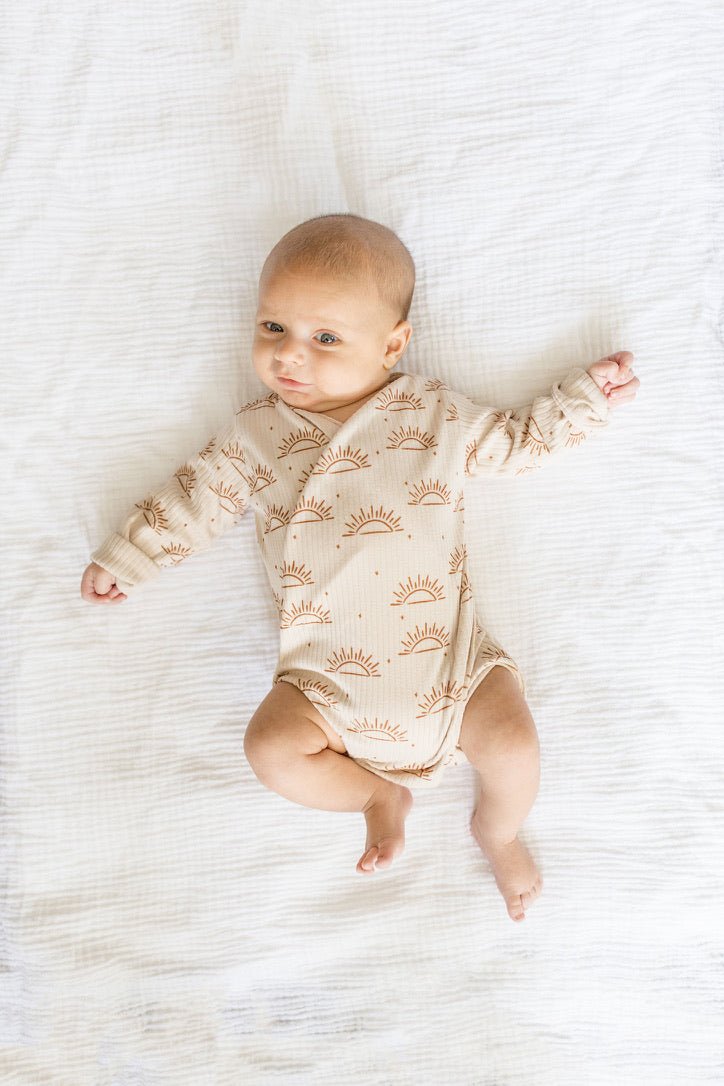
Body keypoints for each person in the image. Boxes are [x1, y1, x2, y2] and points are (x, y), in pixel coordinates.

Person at [80, 213, 640, 922]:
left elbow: (516, 444)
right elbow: (196, 499)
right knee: (270, 748)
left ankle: (498, 830)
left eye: (325, 338)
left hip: (452, 672)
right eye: (273, 327)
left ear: (392, 345)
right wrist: (132, 555)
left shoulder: (431, 415)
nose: (289, 355)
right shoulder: (257, 435)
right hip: (324, 687)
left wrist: (583, 402)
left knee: (513, 743)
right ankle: (376, 794)